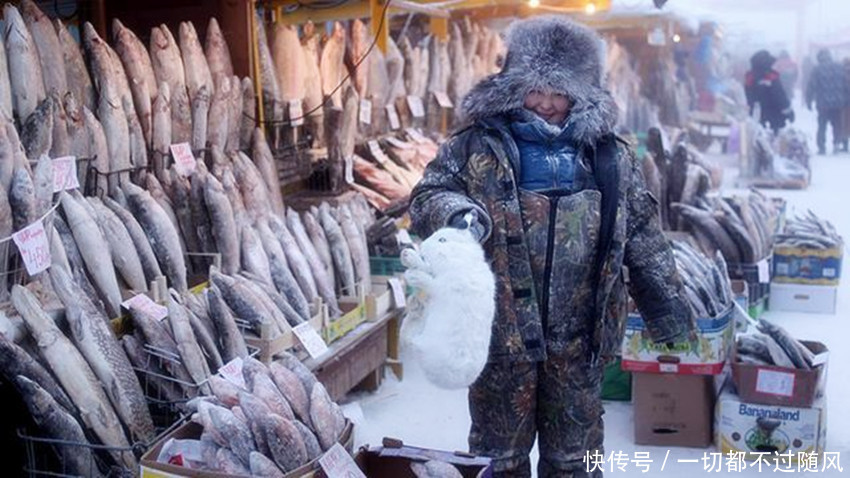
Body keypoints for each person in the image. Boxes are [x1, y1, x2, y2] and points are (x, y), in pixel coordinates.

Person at [409, 16, 695, 478]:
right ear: (513, 85)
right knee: (497, 460)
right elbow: (426, 196)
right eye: (534, 90)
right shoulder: (475, 146)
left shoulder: (609, 156)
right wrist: (455, 213)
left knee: (575, 461)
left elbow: (642, 233)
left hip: (579, 340)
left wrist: (668, 313)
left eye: (559, 93)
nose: (545, 104)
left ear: (581, 93)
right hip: (500, 335)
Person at [806, 49, 848, 154]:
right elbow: (846, 85)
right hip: (838, 102)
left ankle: (822, 147)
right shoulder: (839, 67)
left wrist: (809, 101)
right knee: (837, 124)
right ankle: (836, 144)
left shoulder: (817, 69)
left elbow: (811, 86)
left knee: (822, 125)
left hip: (823, 103)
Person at [744, 50, 794, 134]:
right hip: (774, 118)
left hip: (756, 117)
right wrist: (789, 112)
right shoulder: (771, 77)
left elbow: (747, 97)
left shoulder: (749, 77)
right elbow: (780, 96)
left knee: (756, 142)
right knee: (772, 142)